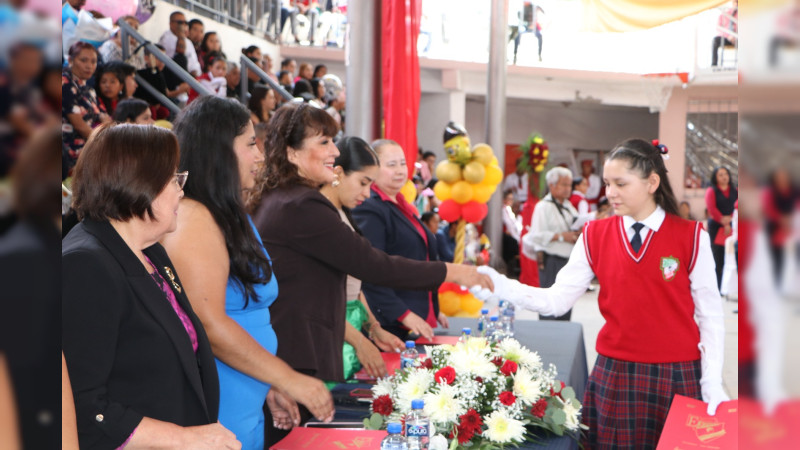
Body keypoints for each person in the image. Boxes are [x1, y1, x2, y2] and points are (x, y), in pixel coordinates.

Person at [254, 103, 492, 445]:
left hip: (294, 353)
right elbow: (373, 265)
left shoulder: (290, 199)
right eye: (323, 142)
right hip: (294, 357)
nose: (334, 152)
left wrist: (370, 328)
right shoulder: (302, 205)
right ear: (292, 153)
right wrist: (453, 272)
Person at [476, 138, 728, 448]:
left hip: (678, 374)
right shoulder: (595, 235)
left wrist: (711, 379)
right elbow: (557, 300)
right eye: (608, 183)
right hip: (616, 372)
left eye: (620, 183)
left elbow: (710, 316)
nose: (610, 193)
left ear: (652, 182)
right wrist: (502, 286)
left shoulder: (691, 236)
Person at [161, 97, 334, 448]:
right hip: (218, 403)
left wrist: (267, 383)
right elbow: (207, 323)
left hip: (246, 397)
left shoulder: (229, 214)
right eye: (250, 144)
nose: (259, 156)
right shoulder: (194, 217)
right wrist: (286, 378)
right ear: (219, 150)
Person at [62, 124, 241, 449]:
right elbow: (83, 405)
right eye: (173, 179)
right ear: (137, 184)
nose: (181, 191)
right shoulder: (84, 265)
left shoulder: (149, 250)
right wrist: (183, 437)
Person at [352, 138, 463, 340]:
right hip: (386, 324)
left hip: (410, 320)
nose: (400, 170)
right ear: (372, 168)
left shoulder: (401, 204)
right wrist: (403, 314)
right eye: (391, 165)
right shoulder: (369, 207)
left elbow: (418, 258)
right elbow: (371, 272)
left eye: (403, 163)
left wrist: (432, 307)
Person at [318, 136, 406, 380]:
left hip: (350, 323)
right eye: (363, 182)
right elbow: (319, 300)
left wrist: (374, 328)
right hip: (332, 326)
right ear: (338, 173)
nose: (367, 194)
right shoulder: (319, 217)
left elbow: (355, 286)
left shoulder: (343, 213)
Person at [523, 166, 580, 320]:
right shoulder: (543, 206)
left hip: (568, 260)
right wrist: (562, 236)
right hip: (551, 260)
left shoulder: (568, 206)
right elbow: (536, 235)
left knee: (566, 301)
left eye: (570, 185)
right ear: (552, 185)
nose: (568, 189)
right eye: (564, 185)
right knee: (549, 302)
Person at [61, 42, 110, 173]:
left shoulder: (89, 89)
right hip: (70, 150)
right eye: (84, 60)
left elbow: (105, 118)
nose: (89, 66)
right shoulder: (64, 83)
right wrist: (104, 145)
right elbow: (79, 125)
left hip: (90, 145)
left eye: (93, 61)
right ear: (71, 60)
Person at [705, 166, 738, 289]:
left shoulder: (736, 190)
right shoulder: (711, 191)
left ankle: (729, 288)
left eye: (726, 174)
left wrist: (730, 220)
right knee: (718, 259)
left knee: (731, 258)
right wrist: (723, 222)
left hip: (733, 226)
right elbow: (711, 209)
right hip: (716, 227)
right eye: (721, 174)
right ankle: (717, 287)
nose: (724, 177)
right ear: (716, 177)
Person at [159, 11, 201, 77]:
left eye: (185, 23)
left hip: (189, 76)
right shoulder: (166, 37)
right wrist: (181, 34)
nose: (183, 25)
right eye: (180, 22)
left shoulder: (188, 42)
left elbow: (194, 64)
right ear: (171, 24)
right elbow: (180, 53)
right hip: (173, 74)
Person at [712, 0, 737, 67]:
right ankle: (714, 65)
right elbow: (718, 29)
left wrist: (736, 36)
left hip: (739, 39)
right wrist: (728, 36)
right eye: (735, 2)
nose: (737, 4)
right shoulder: (724, 15)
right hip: (727, 38)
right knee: (715, 40)